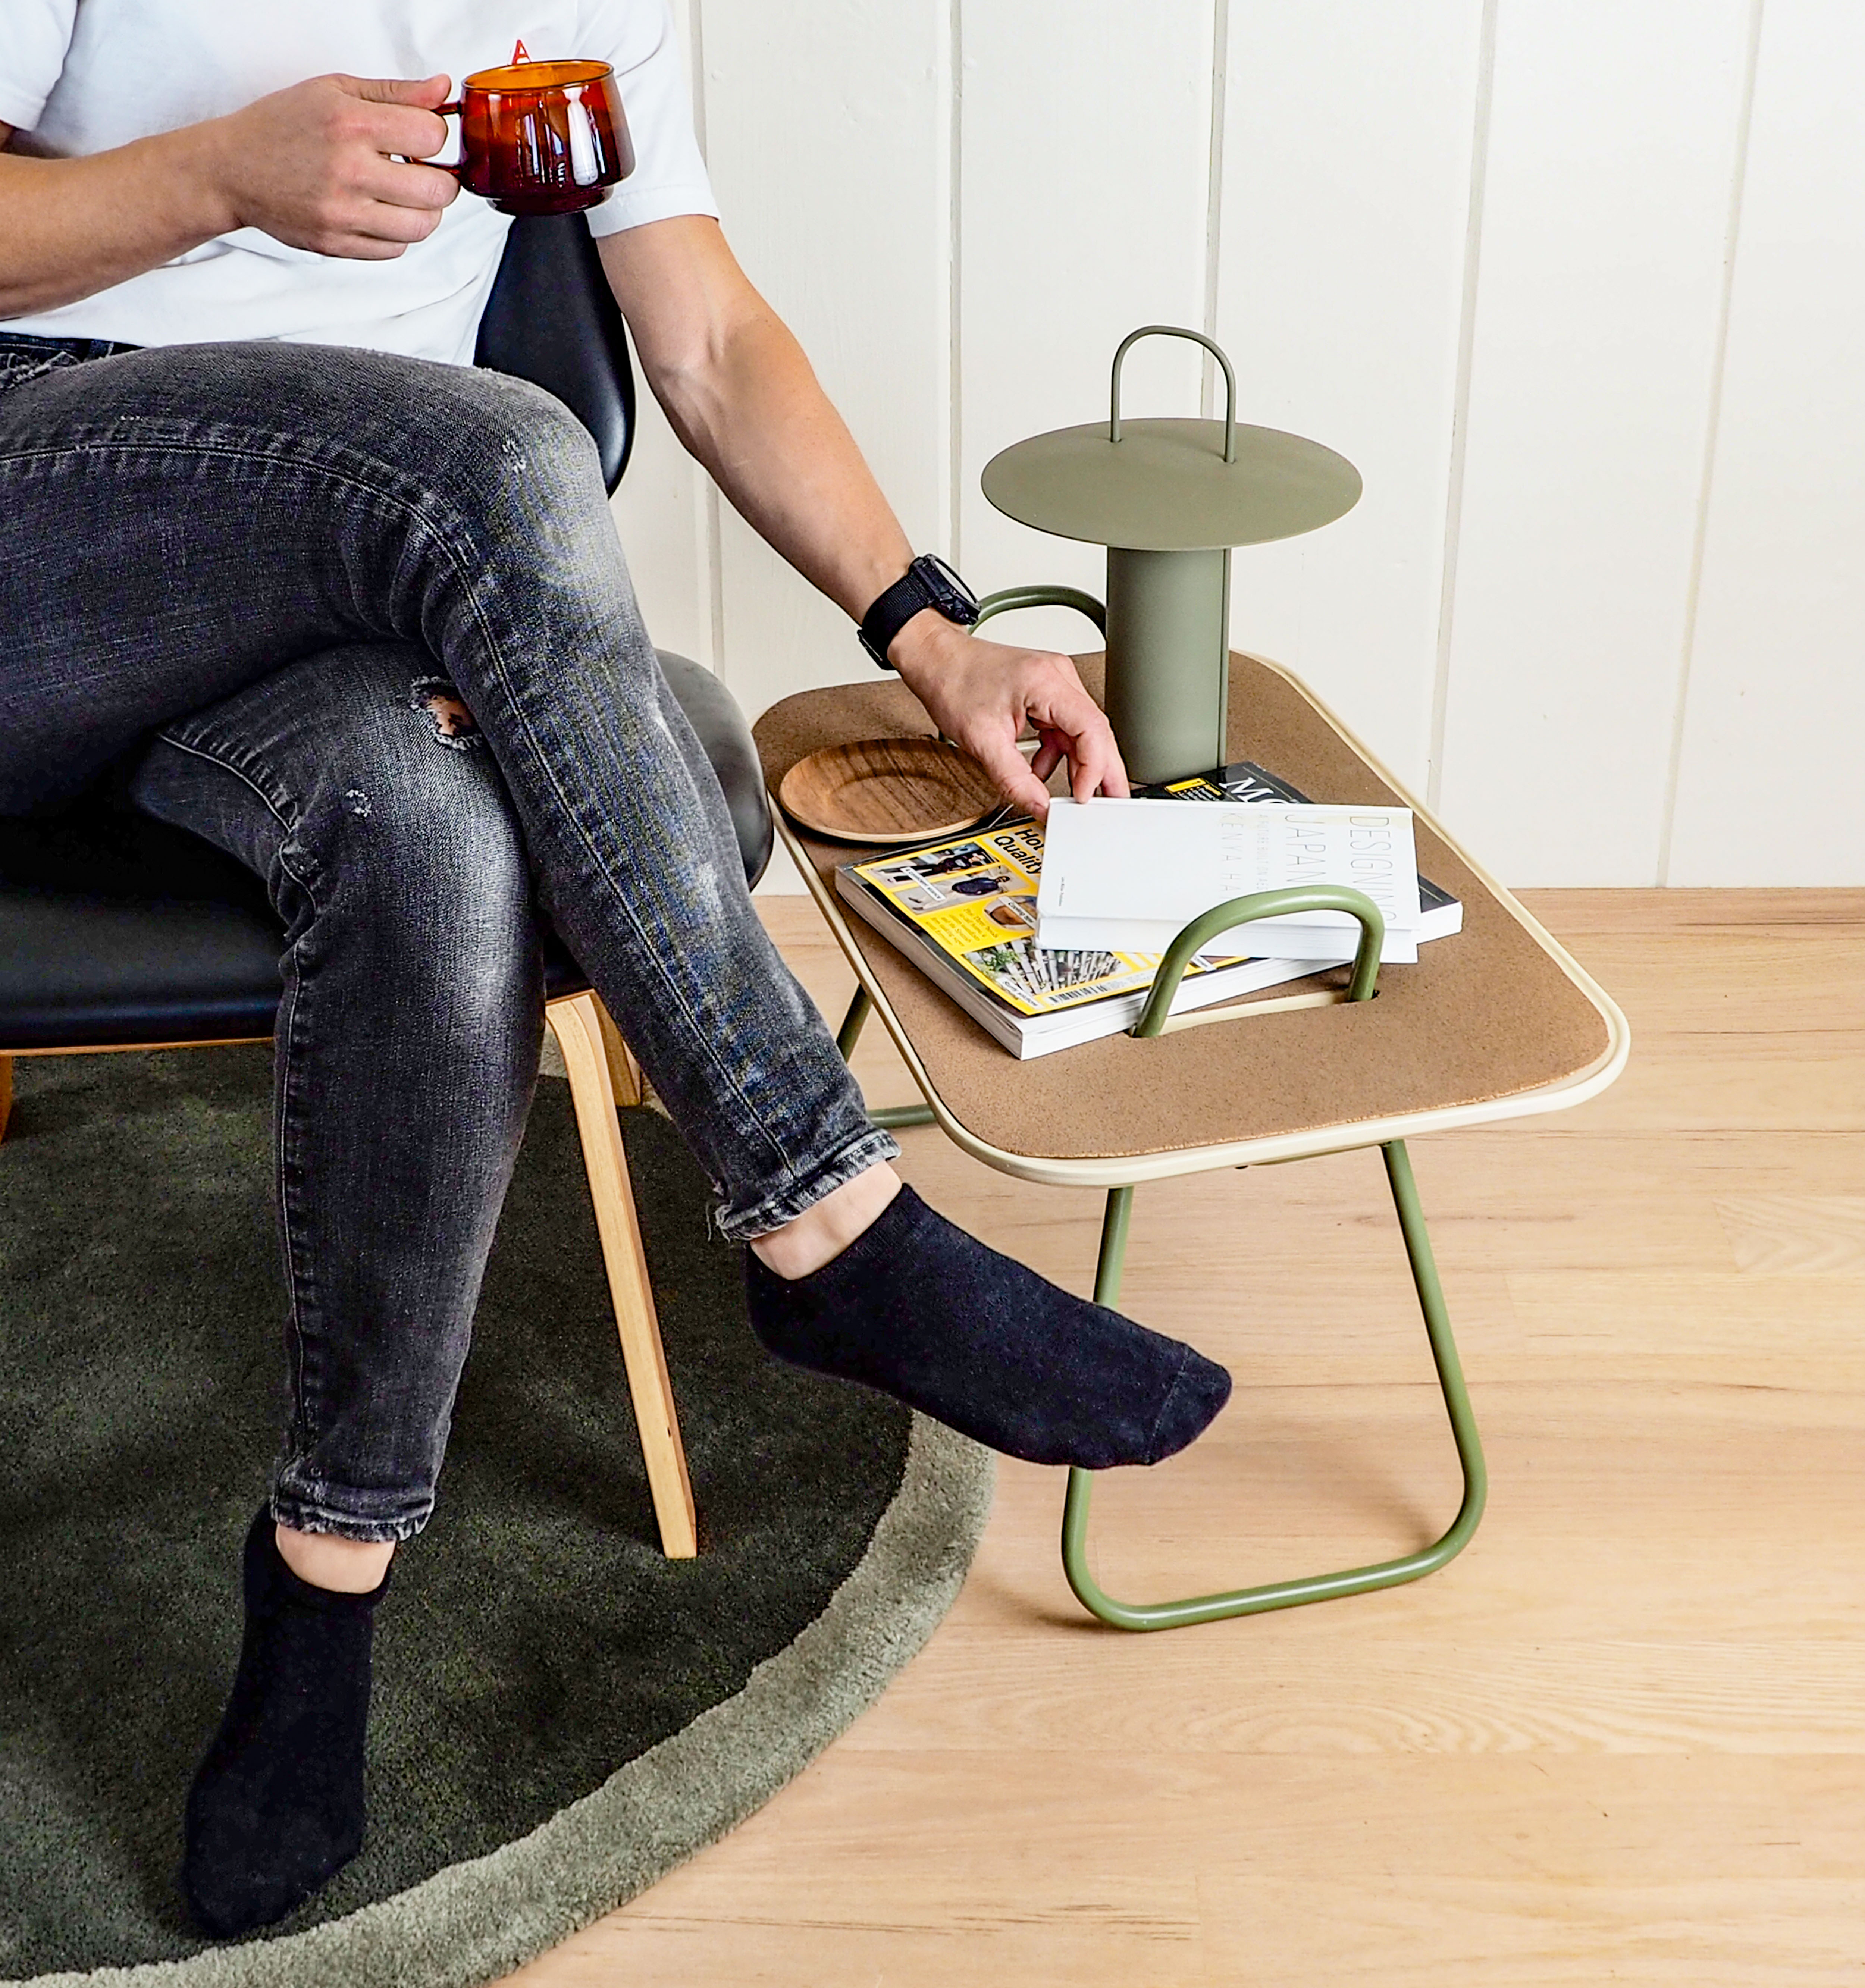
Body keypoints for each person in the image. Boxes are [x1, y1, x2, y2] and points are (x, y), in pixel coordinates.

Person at [0, 0, 1232, 1937]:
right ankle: (828, 1216)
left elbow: (710, 335)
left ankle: (323, 1579)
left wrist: (939, 635)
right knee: (510, 448)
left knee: (430, 828)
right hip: (45, 509)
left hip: (353, 581)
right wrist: (217, 178)